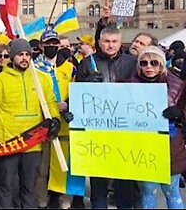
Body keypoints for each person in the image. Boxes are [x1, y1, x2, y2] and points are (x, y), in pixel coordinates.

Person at [0, 38, 61, 208]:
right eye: (20, 54)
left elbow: (50, 104)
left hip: (33, 144)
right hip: (8, 143)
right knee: (7, 187)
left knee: (29, 187)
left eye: (27, 54)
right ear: (12, 56)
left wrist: (55, 120)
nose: (24, 58)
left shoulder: (42, 79)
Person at [76, 27, 137, 208]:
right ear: (99, 42)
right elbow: (78, 94)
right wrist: (86, 85)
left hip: (126, 130)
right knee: (99, 184)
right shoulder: (87, 63)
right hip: (98, 131)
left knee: (124, 182)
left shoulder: (132, 62)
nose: (110, 45)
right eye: (106, 41)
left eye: (114, 41)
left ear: (120, 43)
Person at [127, 46, 186, 209]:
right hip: (142, 147)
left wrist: (180, 113)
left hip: (171, 147)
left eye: (154, 63)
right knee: (148, 191)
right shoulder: (128, 86)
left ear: (161, 64)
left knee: (171, 191)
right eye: (144, 63)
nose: (149, 67)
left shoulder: (177, 85)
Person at [34, 30, 76, 209]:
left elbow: (76, 89)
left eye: (54, 43)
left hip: (66, 124)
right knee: (42, 169)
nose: (51, 47)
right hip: (44, 124)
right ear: (42, 46)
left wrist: (68, 105)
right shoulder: (34, 67)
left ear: (59, 45)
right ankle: (41, 201)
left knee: (67, 166)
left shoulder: (70, 67)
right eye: (47, 44)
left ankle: (65, 201)